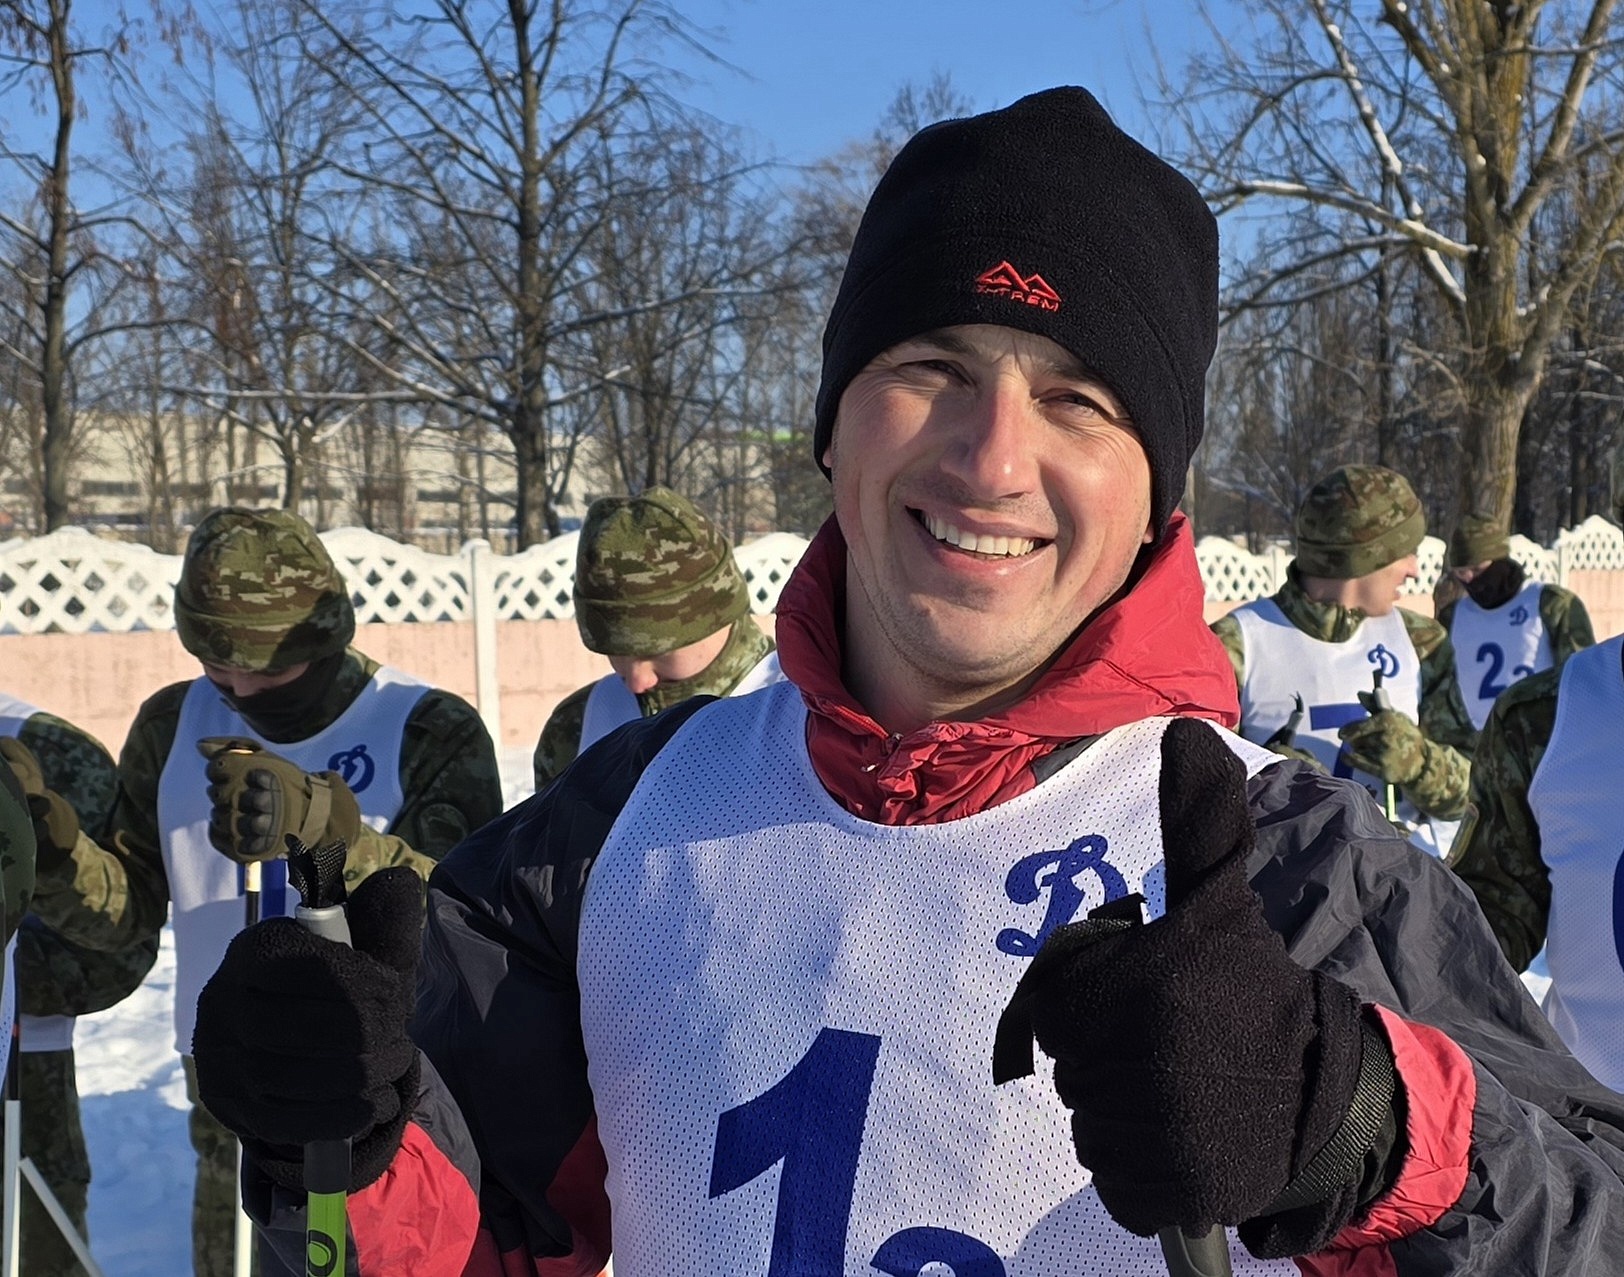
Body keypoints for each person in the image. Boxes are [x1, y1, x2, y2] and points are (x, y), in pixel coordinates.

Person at [193, 89, 1624, 1276]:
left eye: (1078, 398)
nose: (991, 456)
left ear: (1156, 502)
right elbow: (457, 1239)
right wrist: (344, 1152)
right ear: (835, 428)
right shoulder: (617, 823)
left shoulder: (1310, 871)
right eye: (933, 364)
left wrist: (1369, 1124)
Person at [24, 507, 503, 1277]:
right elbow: (128, 914)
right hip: (228, 1083)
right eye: (218, 665)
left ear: (324, 638)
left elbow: (465, 918)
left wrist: (330, 835)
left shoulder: (425, 727)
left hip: (386, 1096)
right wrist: (57, 855)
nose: (242, 686)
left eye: (269, 669)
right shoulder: (170, 723)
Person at [1210, 465, 1471, 856]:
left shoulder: (1422, 640)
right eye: (1404, 552)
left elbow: (1473, 793)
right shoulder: (1237, 643)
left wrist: (1419, 763)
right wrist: (1268, 784)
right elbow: (1198, 801)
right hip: (1289, 886)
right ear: (1363, 559)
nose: (1414, 569)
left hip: (1404, 882)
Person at [0, 701, 156, 1277]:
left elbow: (119, 953)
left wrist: (49, 856)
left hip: (23, 1066)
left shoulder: (49, 748)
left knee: (38, 1247)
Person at [533, 486, 778, 789]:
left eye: (658, 651)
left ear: (717, 616)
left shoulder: (809, 715)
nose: (637, 682)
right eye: (616, 652)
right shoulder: (577, 726)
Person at [1435, 512, 1593, 752]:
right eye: (1461, 573)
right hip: (1476, 751)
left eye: (1477, 569)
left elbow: (1582, 678)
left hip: (1541, 746)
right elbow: (1440, 693)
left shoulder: (1550, 604)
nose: (1470, 579)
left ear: (1499, 560)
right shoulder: (1452, 617)